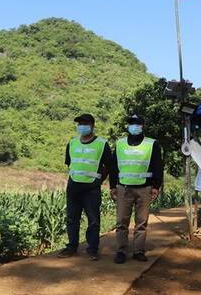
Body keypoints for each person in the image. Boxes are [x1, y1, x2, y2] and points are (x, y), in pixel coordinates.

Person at [57, 113, 112, 261]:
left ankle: (92, 249)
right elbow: (70, 163)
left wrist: (98, 180)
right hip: (73, 186)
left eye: (85, 123)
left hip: (91, 189)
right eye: (79, 123)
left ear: (92, 126)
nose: (82, 126)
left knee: (93, 220)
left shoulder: (102, 144)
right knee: (72, 218)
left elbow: (108, 166)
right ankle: (71, 247)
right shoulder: (72, 143)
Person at [110, 114, 163, 264]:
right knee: (121, 222)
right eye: (132, 123)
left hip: (144, 188)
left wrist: (156, 186)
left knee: (141, 223)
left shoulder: (152, 144)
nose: (134, 126)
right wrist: (113, 186)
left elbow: (158, 166)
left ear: (142, 126)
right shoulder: (120, 144)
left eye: (137, 123)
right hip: (123, 188)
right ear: (128, 126)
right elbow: (114, 167)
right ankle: (121, 251)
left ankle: (138, 251)